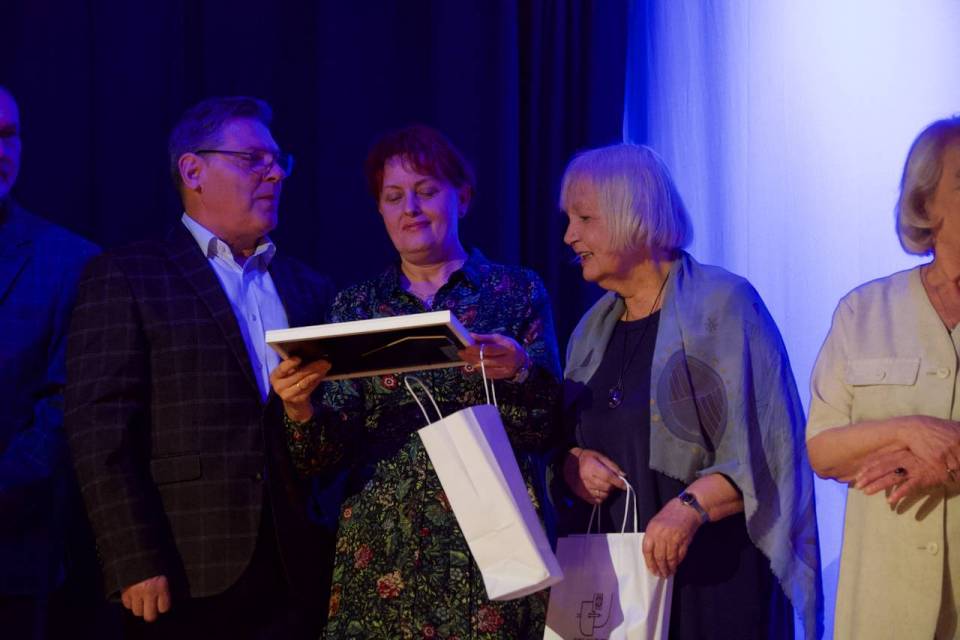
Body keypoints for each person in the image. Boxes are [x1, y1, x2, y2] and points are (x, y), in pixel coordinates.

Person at [270, 124, 561, 638]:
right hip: (385, 551)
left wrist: (519, 371)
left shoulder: (515, 291)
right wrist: (299, 408)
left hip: (492, 546)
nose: (411, 209)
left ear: (462, 198)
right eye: (394, 197)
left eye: (426, 191)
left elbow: (548, 427)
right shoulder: (356, 306)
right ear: (380, 210)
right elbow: (322, 458)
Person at [65, 96, 336, 639]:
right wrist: (133, 558)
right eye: (254, 159)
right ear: (193, 171)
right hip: (187, 566)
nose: (276, 174)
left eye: (278, 160)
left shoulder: (308, 286)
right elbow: (100, 433)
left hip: (299, 566)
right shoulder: (129, 274)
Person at [555, 143, 821, 639]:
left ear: (634, 214)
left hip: (716, 583)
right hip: (625, 590)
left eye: (585, 218)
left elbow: (770, 448)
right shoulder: (590, 331)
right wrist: (573, 464)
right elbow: (567, 440)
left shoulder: (724, 305)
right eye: (569, 219)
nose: (570, 236)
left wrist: (690, 508)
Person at [807, 116, 960, 639]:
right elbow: (823, 451)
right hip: (885, 603)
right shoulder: (863, 312)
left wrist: (951, 456)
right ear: (925, 204)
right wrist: (909, 430)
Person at [0, 86, 100, 639]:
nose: (0, 151)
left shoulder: (67, 261)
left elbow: (64, 408)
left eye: (8, 135)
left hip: (12, 556)